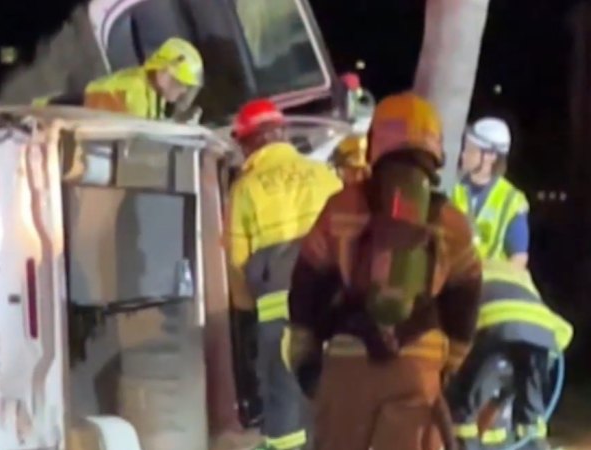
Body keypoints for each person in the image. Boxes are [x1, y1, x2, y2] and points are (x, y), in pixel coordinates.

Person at [283, 92, 483, 450]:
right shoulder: (452, 222)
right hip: (419, 370)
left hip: (347, 363)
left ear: (376, 142)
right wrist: (448, 367)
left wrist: (306, 360)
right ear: (436, 148)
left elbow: (307, 287)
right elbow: (465, 304)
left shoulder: (341, 207)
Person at [226, 98, 343, 450]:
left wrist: (246, 309)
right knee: (332, 397)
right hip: (330, 310)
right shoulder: (324, 175)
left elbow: (236, 261)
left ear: (251, 141)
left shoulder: (246, 188)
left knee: (283, 405)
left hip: (278, 316)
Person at [447, 260, 572, 450]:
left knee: (464, 410)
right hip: (542, 332)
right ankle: (533, 444)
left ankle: (466, 444)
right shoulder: (515, 275)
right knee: (531, 414)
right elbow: (564, 334)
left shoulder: (465, 270)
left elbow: (457, 334)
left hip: (492, 324)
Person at [451, 117, 529, 268]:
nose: (463, 154)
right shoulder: (452, 189)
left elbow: (518, 259)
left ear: (490, 156)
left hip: (492, 280)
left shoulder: (512, 201)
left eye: (470, 149)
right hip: (455, 278)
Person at [78, 37, 203, 120]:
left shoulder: (154, 91)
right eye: (180, 83)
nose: (184, 90)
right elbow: (138, 142)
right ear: (164, 75)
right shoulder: (134, 91)